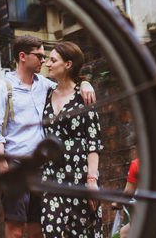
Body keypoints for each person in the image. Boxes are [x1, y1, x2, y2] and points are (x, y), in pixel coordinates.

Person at [0, 36, 95, 238]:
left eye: (45, 57)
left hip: (43, 170)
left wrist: (85, 84)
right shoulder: (2, 88)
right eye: (39, 56)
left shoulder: (45, 85)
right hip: (15, 167)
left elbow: (68, 85)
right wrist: (3, 167)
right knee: (15, 229)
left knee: (38, 229)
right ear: (22, 56)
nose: (44, 61)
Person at [39, 41, 101, 238]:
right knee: (50, 231)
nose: (47, 63)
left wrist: (92, 180)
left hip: (79, 177)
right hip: (51, 178)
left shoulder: (84, 97)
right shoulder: (46, 93)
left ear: (68, 64)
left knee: (82, 234)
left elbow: (94, 142)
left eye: (53, 60)